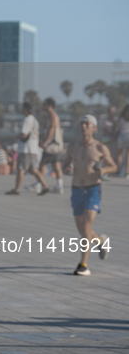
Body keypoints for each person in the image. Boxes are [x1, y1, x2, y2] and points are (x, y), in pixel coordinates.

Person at [62, 115, 117, 276]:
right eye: (82, 124)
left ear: (94, 128)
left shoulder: (100, 148)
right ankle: (100, 240)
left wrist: (104, 170)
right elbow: (66, 164)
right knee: (83, 231)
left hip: (93, 189)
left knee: (86, 228)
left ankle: (83, 264)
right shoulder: (73, 147)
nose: (84, 126)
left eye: (87, 124)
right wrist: (66, 169)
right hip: (76, 189)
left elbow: (113, 166)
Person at [6, 102, 50, 195]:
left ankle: (16, 189)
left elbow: (24, 134)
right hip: (33, 148)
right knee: (33, 169)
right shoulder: (35, 120)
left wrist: (16, 137)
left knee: (21, 169)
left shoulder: (27, 119)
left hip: (26, 149)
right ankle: (45, 186)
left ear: (25, 109)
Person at [27, 98, 65, 194]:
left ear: (50, 106)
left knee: (42, 164)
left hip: (52, 144)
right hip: (56, 144)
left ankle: (38, 183)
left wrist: (45, 141)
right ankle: (59, 186)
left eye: (44, 104)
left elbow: (52, 129)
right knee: (56, 164)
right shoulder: (51, 116)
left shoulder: (52, 116)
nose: (43, 106)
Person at [113, 104, 129, 177]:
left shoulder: (120, 118)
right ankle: (127, 172)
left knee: (118, 155)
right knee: (127, 155)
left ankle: (118, 170)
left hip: (121, 136)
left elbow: (117, 129)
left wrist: (114, 135)